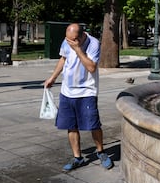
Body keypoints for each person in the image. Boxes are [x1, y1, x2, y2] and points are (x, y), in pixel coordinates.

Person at [44, 23, 112, 171]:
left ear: (82, 36)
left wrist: (77, 49)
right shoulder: (68, 41)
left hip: (87, 91)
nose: (70, 42)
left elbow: (91, 67)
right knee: (71, 126)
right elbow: (63, 59)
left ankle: (101, 152)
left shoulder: (93, 44)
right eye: (68, 40)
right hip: (67, 91)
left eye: (74, 40)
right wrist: (53, 77)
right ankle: (77, 157)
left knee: (93, 124)